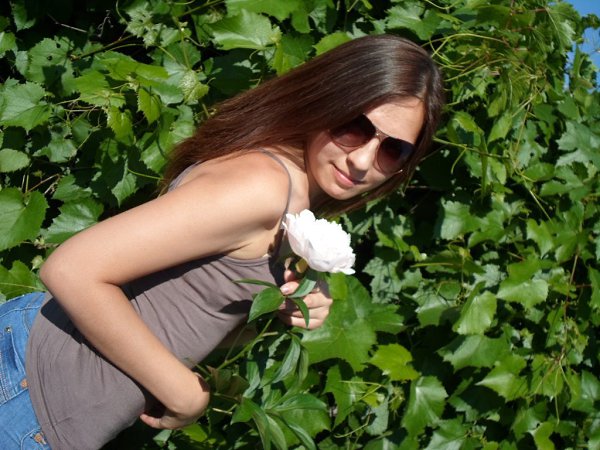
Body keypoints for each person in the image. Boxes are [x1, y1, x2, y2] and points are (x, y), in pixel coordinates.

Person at [0, 33, 444, 449]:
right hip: (30, 390)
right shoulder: (261, 187)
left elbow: (187, 313)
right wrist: (186, 394)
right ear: (326, 99)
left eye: (394, 150)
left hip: (39, 392)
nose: (363, 160)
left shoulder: (289, 190)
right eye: (355, 127)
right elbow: (71, 270)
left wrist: (279, 311)